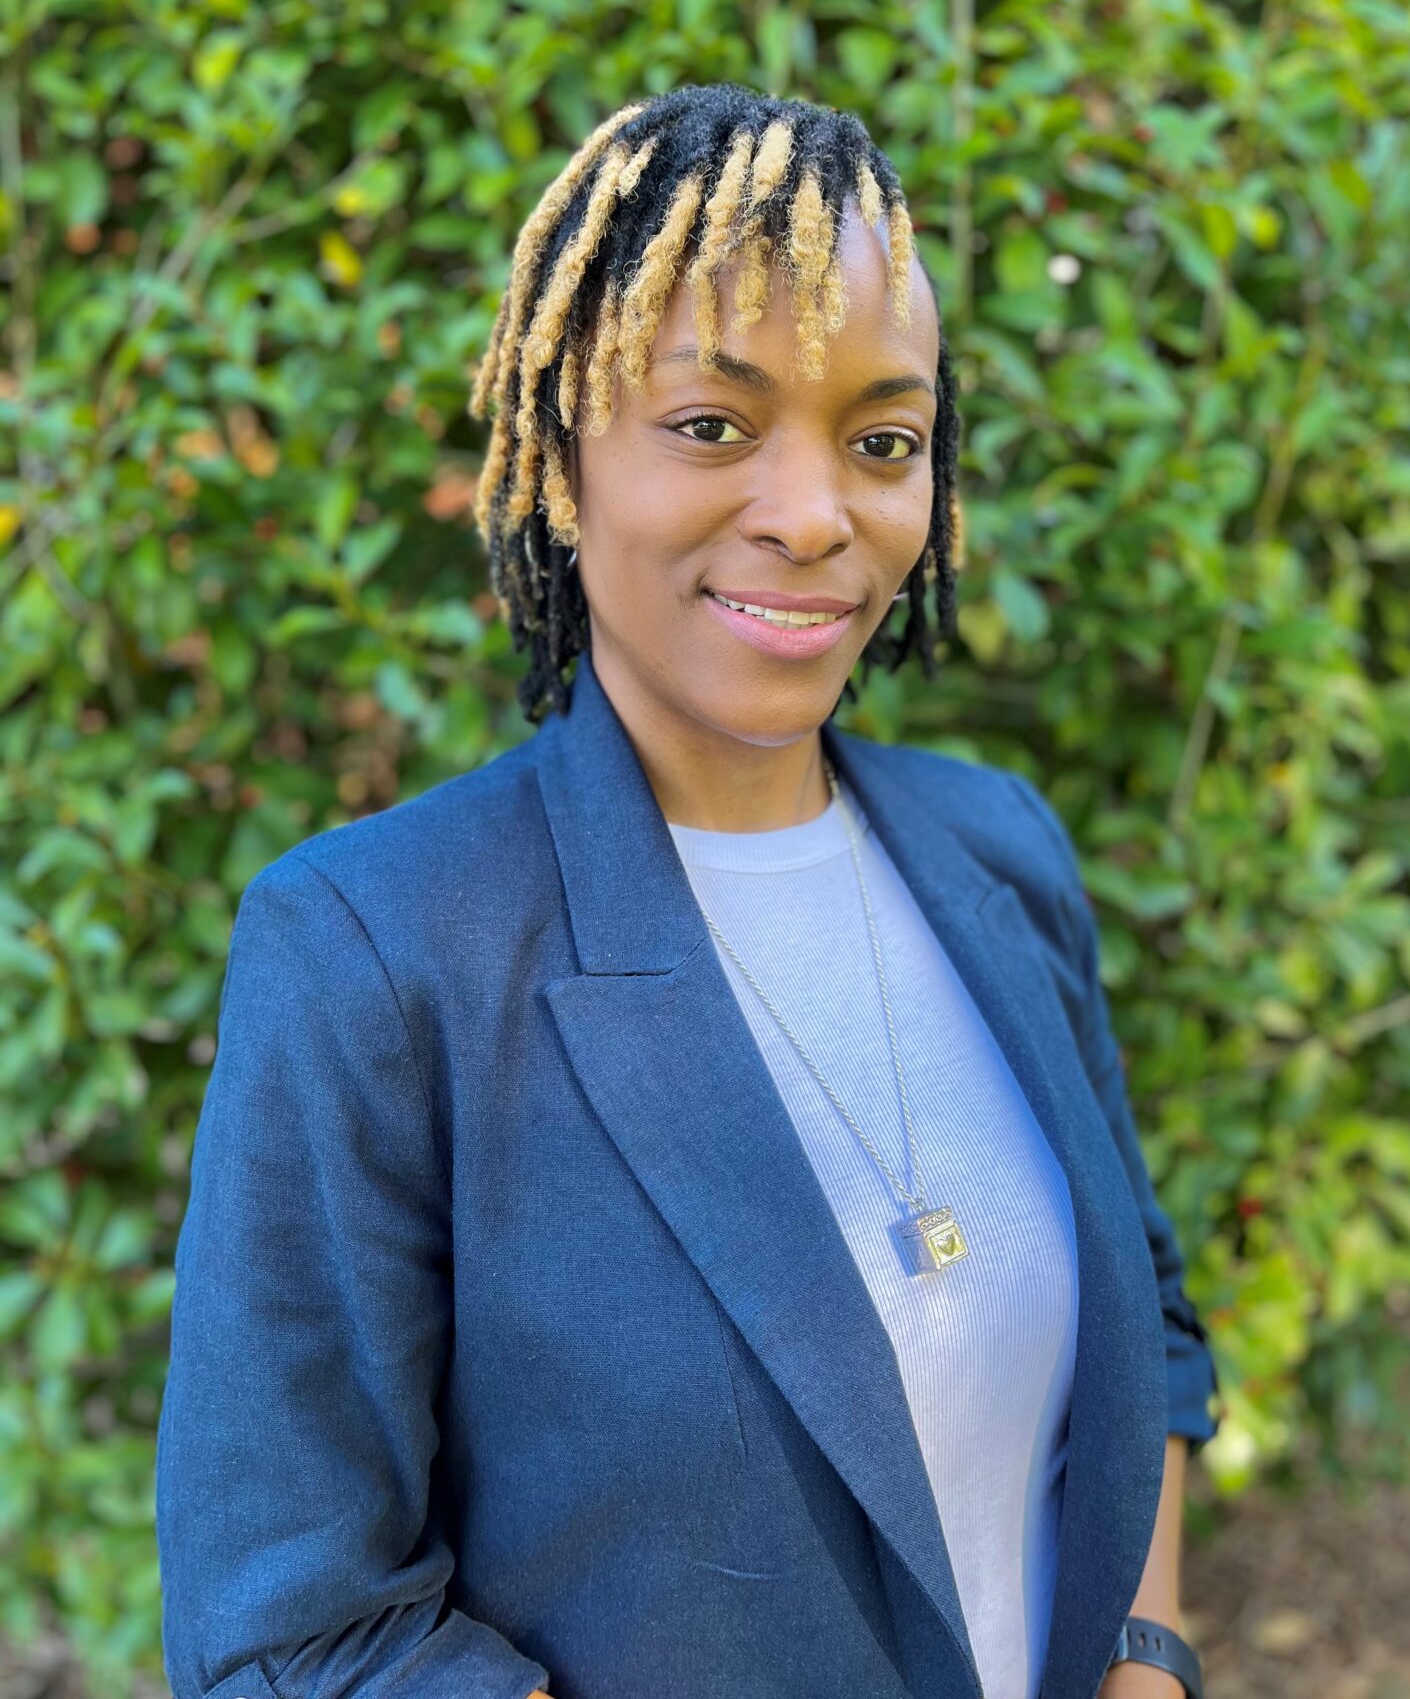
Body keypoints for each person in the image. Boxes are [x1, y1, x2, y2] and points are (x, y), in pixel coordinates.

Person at [155, 83, 1221, 1699]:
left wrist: (1147, 1659)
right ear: (567, 461)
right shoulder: (378, 952)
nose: (814, 516)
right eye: (712, 425)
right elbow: (294, 1630)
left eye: (884, 440)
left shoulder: (1000, 853)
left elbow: (1149, 1320)